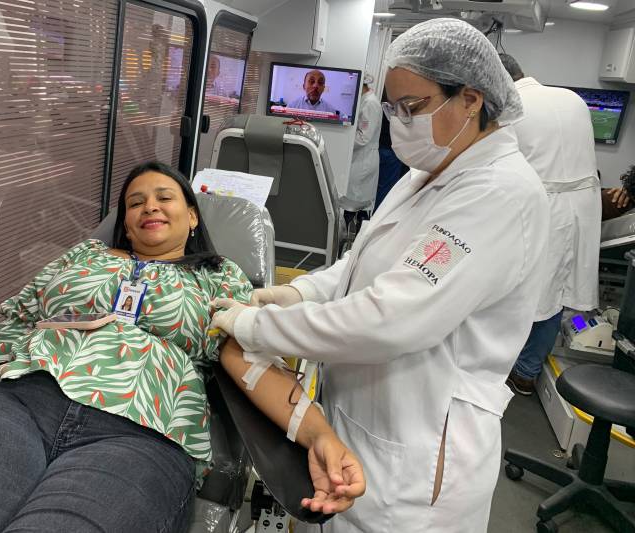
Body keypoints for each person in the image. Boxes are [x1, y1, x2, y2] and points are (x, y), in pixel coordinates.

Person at [0, 161, 365, 532]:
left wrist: (318, 434)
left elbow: (248, 360)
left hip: (143, 433)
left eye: (164, 197)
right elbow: (10, 331)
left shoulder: (220, 276)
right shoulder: (84, 256)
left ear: (192, 216)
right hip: (16, 402)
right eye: (135, 202)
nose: (149, 207)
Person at [211, 18, 549, 532]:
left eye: (411, 107)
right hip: (363, 419)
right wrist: (297, 292)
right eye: (392, 108)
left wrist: (256, 327)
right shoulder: (427, 173)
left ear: (471, 100)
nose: (399, 123)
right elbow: (360, 264)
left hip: (419, 454)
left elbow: (392, 317)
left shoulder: (499, 195)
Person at [499, 54, 602, 396]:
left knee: (519, 290)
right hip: (582, 207)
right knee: (555, 293)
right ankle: (527, 373)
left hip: (542, 207)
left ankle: (503, 369)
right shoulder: (572, 98)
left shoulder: (511, 108)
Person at [341, 72, 382, 234]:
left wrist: (341, 143)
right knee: (354, 200)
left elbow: (363, 137)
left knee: (355, 202)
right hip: (359, 158)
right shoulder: (364, 100)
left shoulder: (370, 103)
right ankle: (349, 233)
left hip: (363, 160)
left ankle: (352, 237)